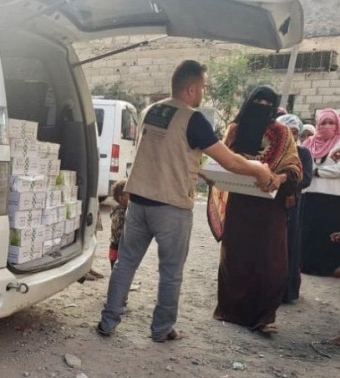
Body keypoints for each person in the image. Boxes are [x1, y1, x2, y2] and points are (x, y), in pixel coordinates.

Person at [96, 60, 276, 342]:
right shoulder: (193, 119)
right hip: (171, 207)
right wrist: (260, 171)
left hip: (138, 201)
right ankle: (161, 329)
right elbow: (229, 161)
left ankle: (108, 323)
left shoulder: (150, 111)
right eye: (203, 87)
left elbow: (170, 153)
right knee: (170, 272)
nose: (203, 92)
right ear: (191, 89)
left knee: (125, 263)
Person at [207, 87, 301, 335]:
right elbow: (221, 161)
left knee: (271, 263)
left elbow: (294, 167)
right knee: (236, 259)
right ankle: (231, 312)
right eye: (258, 100)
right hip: (240, 206)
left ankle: (264, 318)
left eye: (268, 103)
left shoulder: (282, 133)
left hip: (270, 209)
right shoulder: (234, 131)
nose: (262, 106)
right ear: (248, 102)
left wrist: (279, 178)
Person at [276, 114, 313, 302]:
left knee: (288, 243)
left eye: (295, 132)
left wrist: (286, 185)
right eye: (287, 132)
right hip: (270, 203)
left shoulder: (303, 153)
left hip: (291, 204)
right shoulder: (273, 150)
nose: (291, 136)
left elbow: (306, 178)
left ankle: (286, 291)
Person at [299, 109, 340, 276]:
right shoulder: (308, 143)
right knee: (309, 231)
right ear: (317, 125)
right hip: (308, 194)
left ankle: (327, 268)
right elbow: (299, 163)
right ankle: (305, 265)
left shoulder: (339, 143)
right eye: (323, 123)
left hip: (332, 196)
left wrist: (316, 171)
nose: (327, 126)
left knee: (326, 232)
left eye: (331, 123)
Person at [108, 179, 129, 269]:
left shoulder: (117, 209)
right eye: (129, 195)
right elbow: (119, 232)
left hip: (115, 247)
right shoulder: (121, 212)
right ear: (121, 198)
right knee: (119, 270)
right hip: (118, 248)